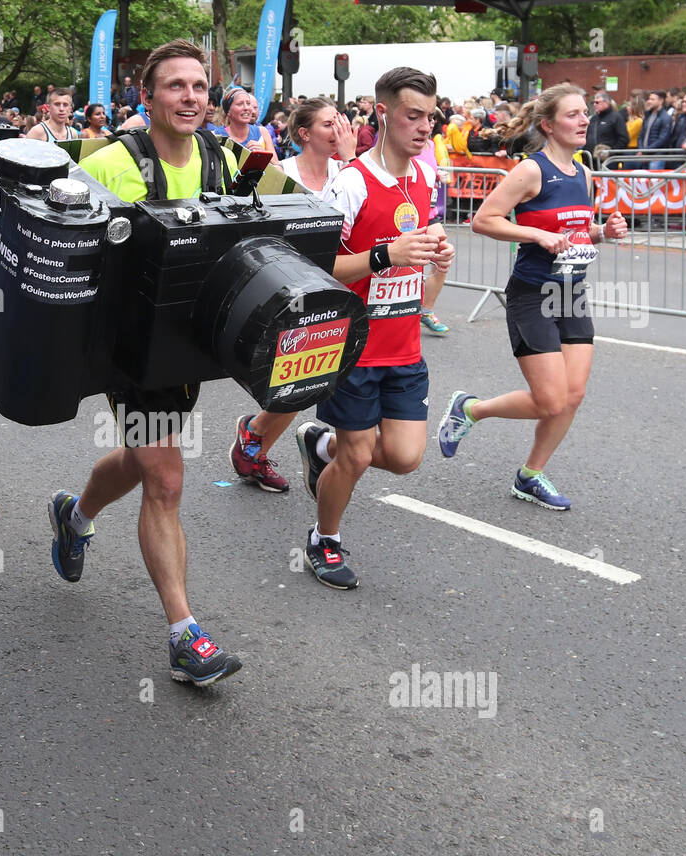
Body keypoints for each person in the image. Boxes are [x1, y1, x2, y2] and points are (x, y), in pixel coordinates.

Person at [48, 39, 243, 686]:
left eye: (199, 86)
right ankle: (185, 635)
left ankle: (74, 516)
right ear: (147, 96)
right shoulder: (102, 164)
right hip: (130, 348)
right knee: (165, 478)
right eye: (175, 87)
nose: (191, 97)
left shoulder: (231, 156)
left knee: (140, 459)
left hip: (192, 345)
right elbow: (61, 250)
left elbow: (278, 222)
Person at [290, 68, 454, 590]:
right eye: (413, 115)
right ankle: (325, 538)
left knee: (405, 458)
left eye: (431, 116)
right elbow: (315, 268)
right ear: (383, 113)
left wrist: (439, 261)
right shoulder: (352, 183)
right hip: (354, 348)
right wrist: (386, 255)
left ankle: (320, 447)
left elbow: (419, 272)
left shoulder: (425, 177)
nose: (425, 126)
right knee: (358, 453)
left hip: (404, 347)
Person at [438, 83, 627, 511]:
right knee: (549, 399)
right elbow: (483, 221)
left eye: (585, 114)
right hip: (532, 293)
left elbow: (576, 232)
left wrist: (603, 233)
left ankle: (530, 475)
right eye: (573, 114)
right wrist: (536, 234)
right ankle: (471, 409)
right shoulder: (530, 171)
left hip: (571, 293)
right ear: (548, 124)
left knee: (572, 395)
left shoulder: (584, 172)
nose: (584, 121)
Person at [228, 98, 356, 494]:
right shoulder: (282, 173)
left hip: (341, 287)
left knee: (317, 375)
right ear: (304, 134)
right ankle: (257, 441)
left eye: (342, 122)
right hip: (294, 291)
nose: (340, 131)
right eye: (328, 124)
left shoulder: (350, 172)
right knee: (301, 377)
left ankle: (311, 445)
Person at [221, 88, 280, 163]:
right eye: (240, 104)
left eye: (248, 104)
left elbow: (278, 167)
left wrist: (264, 154)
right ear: (228, 111)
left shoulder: (262, 132)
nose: (246, 108)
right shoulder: (217, 135)